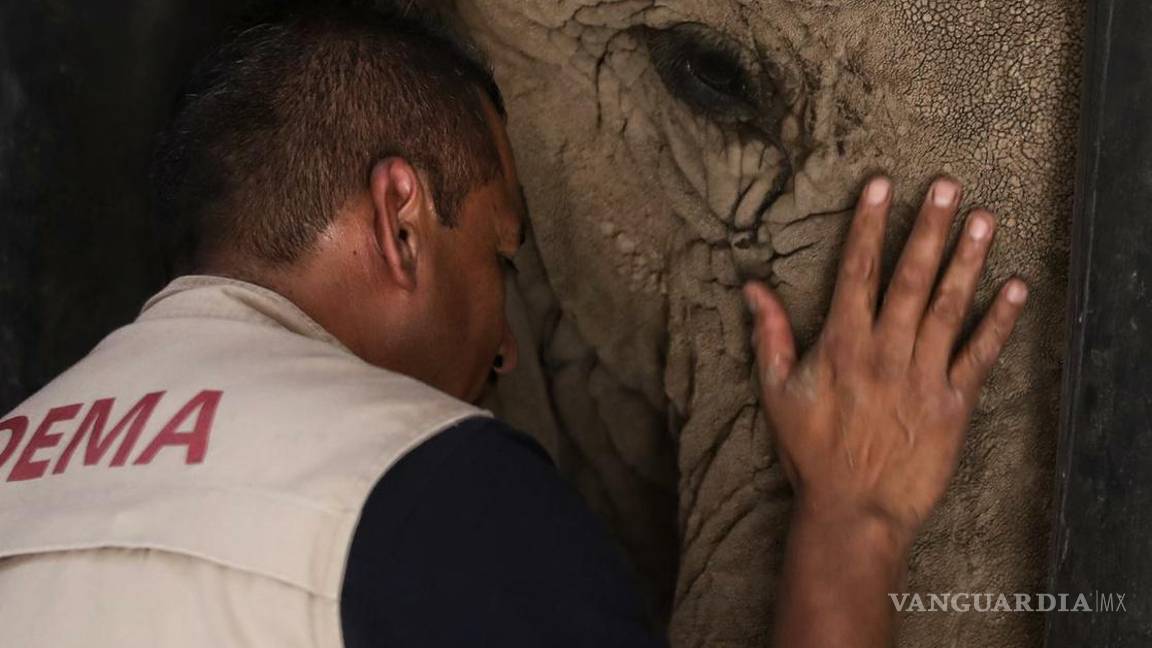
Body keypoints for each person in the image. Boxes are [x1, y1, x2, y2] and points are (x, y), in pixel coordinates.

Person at [0, 5, 1027, 648]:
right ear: (401, 220)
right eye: (499, 258)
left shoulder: (16, 462)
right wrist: (856, 519)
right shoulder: (428, 488)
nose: (502, 348)